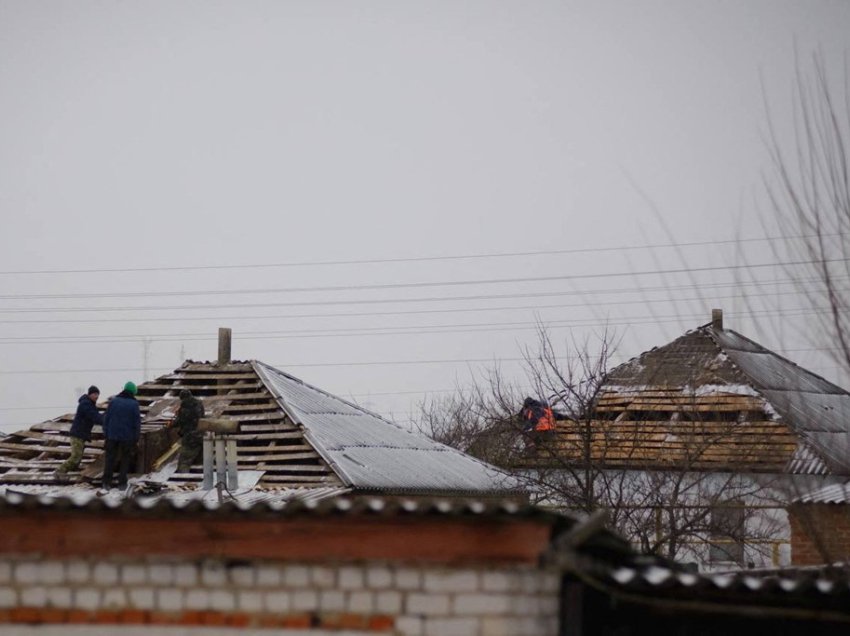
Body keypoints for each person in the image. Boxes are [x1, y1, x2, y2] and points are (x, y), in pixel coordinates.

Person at [101, 381, 141, 490]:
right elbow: (136, 423)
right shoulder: (134, 404)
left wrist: (106, 433)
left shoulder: (113, 401)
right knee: (125, 459)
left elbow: (106, 418)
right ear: (133, 392)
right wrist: (136, 438)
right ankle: (122, 483)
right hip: (127, 437)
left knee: (110, 459)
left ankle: (106, 482)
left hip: (112, 435)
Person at [57, 385, 103, 475]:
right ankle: (60, 471)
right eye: (95, 394)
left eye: (98, 394)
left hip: (80, 435)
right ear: (90, 394)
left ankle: (69, 473)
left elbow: (96, 416)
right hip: (77, 435)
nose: (97, 396)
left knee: (78, 457)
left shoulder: (89, 404)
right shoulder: (86, 404)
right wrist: (108, 419)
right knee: (76, 456)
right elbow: (95, 417)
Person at [174, 389, 205, 473]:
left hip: (189, 437)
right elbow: (201, 417)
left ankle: (181, 480)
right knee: (199, 460)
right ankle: (199, 479)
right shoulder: (199, 404)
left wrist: (173, 421)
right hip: (200, 436)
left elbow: (179, 421)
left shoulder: (184, 407)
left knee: (184, 460)